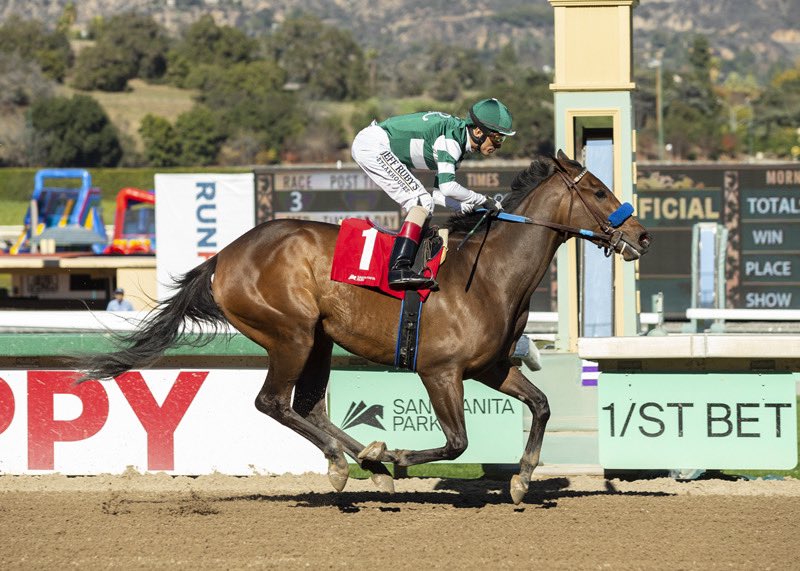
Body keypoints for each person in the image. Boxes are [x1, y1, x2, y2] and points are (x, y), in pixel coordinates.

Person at [351, 98, 515, 290]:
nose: (499, 144)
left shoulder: (458, 141)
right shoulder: (451, 140)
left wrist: (465, 207)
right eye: (497, 138)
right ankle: (398, 268)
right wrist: (483, 200)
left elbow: (438, 195)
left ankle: (406, 263)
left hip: (374, 144)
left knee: (425, 201)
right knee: (420, 200)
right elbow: (448, 188)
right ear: (478, 132)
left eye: (502, 139)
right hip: (373, 146)